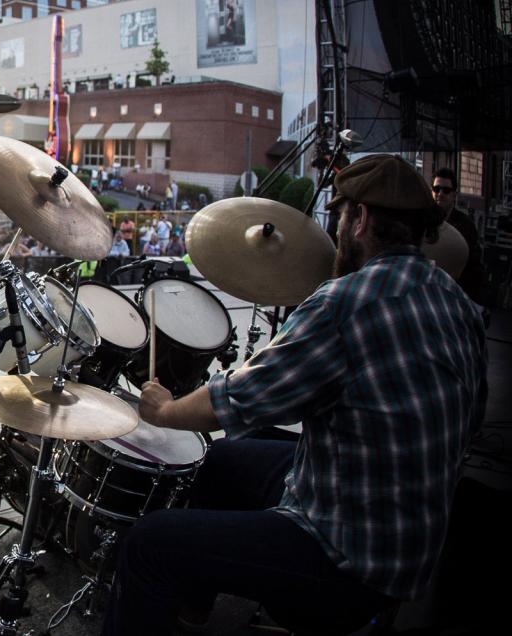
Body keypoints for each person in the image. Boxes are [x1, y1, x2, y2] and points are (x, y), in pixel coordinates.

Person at [104, 155, 487, 635]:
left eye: (341, 217)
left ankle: (172, 589)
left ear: (361, 219)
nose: (338, 228)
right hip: (414, 541)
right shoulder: (458, 303)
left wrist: (163, 410)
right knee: (222, 462)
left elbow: (236, 400)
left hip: (347, 557)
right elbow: (470, 423)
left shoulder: (345, 302)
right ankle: (193, 609)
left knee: (148, 544)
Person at [431, 168, 486, 306]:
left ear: (454, 194)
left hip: (455, 297)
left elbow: (474, 269)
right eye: (436, 189)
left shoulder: (465, 226)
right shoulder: (424, 222)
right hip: (431, 295)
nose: (440, 194)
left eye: (446, 190)